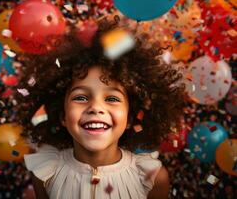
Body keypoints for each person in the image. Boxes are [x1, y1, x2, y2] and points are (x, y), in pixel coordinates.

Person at [14, 18, 186, 199]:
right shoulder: (46, 173)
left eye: (112, 98)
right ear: (62, 115)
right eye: (80, 97)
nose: (96, 108)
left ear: (131, 117)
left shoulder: (152, 178)